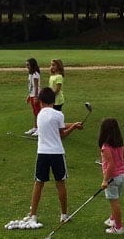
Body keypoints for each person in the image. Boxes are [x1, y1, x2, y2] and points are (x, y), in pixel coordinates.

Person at [22, 87, 84, 225]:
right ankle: (63, 214)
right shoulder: (58, 115)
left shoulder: (39, 115)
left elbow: (56, 125)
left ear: (41, 101)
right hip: (57, 153)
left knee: (39, 183)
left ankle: (33, 215)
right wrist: (73, 127)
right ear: (53, 100)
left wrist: (73, 124)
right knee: (60, 183)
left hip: (42, 153)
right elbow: (62, 133)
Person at [98, 118, 124, 234]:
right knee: (116, 199)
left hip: (113, 178)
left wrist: (105, 180)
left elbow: (111, 164)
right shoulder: (119, 145)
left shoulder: (106, 147)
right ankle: (112, 219)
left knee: (114, 202)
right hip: (122, 176)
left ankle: (118, 227)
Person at [24, 58, 41, 136]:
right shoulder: (30, 74)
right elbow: (31, 86)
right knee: (34, 112)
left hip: (35, 95)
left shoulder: (35, 74)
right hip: (32, 95)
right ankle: (35, 127)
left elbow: (36, 87)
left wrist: (36, 97)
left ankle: (39, 129)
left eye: (28, 65)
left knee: (38, 112)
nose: (27, 66)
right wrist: (29, 95)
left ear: (32, 65)